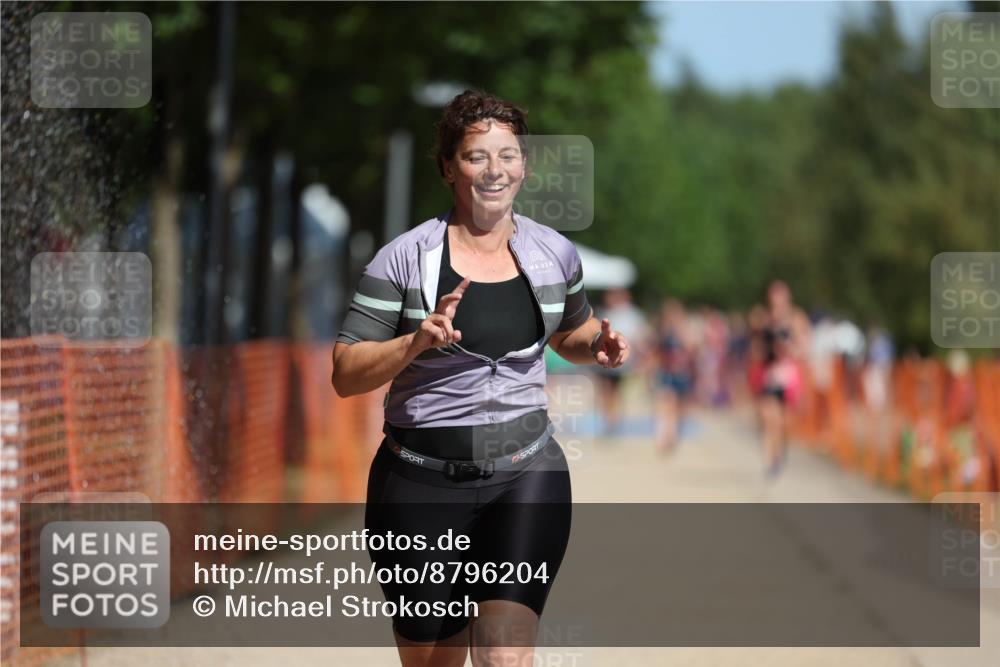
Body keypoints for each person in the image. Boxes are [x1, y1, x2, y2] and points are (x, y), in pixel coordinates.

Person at [331, 90, 630, 667]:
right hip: (419, 483)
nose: (495, 171)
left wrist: (600, 344)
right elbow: (345, 372)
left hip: (525, 477)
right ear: (449, 167)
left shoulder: (555, 254)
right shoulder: (402, 260)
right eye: (476, 157)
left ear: (524, 165)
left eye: (508, 155)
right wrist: (416, 339)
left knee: (503, 654)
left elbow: (572, 331)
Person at [593, 288, 649, 436]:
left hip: (619, 361)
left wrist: (641, 359)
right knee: (606, 391)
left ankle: (613, 421)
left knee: (614, 392)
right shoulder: (606, 313)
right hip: (606, 359)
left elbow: (638, 338)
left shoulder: (630, 315)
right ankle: (609, 421)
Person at [652, 299, 695, 453]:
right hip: (667, 373)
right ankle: (665, 436)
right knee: (667, 404)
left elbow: (691, 350)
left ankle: (675, 434)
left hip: (682, 373)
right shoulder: (663, 332)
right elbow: (658, 351)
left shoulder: (685, 330)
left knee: (680, 408)